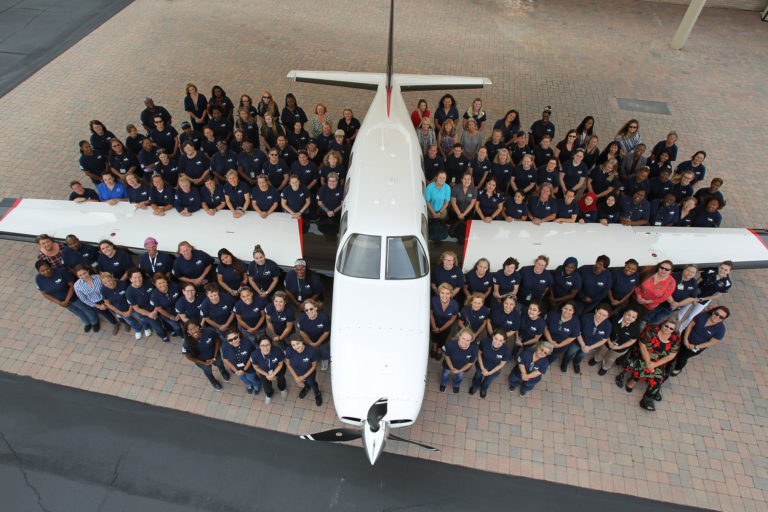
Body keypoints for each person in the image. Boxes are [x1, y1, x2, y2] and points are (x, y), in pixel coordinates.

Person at [616, 318, 680, 411]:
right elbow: (642, 345)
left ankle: (648, 398)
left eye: (671, 329)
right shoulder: (652, 330)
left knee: (658, 378)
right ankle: (631, 382)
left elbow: (671, 356)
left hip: (658, 361)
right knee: (641, 369)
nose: (668, 329)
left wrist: (655, 364)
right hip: (643, 355)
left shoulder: (675, 338)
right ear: (662, 324)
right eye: (666, 326)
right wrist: (648, 362)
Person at [35, 260, 98, 331]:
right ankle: (87, 322)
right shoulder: (38, 279)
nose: (46, 272)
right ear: (39, 271)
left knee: (85, 308)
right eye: (42, 271)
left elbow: (72, 285)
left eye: (47, 269)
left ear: (51, 266)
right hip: (61, 301)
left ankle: (94, 322)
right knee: (76, 311)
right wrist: (59, 302)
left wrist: (67, 300)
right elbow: (44, 293)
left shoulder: (61, 272)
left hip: (73, 297)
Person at [672, 306, 729, 376]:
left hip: (694, 347)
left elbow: (710, 342)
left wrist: (695, 346)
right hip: (685, 337)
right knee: (674, 349)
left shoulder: (720, 330)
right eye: (716, 314)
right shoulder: (703, 316)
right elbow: (690, 325)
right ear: (713, 312)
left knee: (682, 357)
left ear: (723, 319)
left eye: (721, 317)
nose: (717, 317)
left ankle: (677, 369)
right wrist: (685, 338)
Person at [678, 261, 733, 330]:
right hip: (695, 293)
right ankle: (674, 324)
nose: (722, 271)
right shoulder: (710, 271)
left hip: (704, 299)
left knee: (692, 316)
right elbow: (698, 281)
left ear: (729, 271)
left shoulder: (727, 283)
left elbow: (717, 295)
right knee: (683, 309)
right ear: (719, 267)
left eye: (726, 270)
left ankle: (680, 330)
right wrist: (693, 293)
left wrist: (701, 299)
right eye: (721, 268)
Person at [561, 303, 612, 373]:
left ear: (607, 316)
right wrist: (583, 345)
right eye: (600, 313)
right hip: (578, 342)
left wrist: (590, 347)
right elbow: (577, 332)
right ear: (596, 311)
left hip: (591, 346)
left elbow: (604, 339)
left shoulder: (608, 325)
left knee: (581, 355)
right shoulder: (586, 318)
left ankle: (576, 363)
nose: (601, 317)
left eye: (604, 315)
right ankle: (565, 362)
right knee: (570, 352)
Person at [589, 307, 641, 375]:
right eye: (628, 315)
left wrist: (619, 347)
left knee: (611, 358)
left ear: (636, 318)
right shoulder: (614, 318)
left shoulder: (636, 328)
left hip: (620, 347)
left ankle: (605, 367)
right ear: (624, 313)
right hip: (607, 341)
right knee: (601, 351)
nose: (630, 318)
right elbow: (605, 328)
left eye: (633, 317)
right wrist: (608, 341)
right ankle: (596, 359)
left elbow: (633, 340)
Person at [182, 318, 230, 390]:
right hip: (202, 362)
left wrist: (215, 356)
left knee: (220, 365)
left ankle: (223, 372)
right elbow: (189, 357)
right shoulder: (186, 344)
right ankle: (213, 382)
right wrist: (204, 363)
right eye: (190, 330)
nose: (194, 331)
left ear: (199, 326)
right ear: (187, 332)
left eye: (195, 328)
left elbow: (217, 341)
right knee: (208, 372)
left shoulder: (208, 332)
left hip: (215, 355)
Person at [125, 268, 169, 342]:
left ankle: (170, 330)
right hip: (147, 313)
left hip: (158, 306)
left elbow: (158, 293)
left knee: (166, 319)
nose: (138, 279)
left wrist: (155, 310)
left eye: (139, 277)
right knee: (158, 327)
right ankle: (163, 335)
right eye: (135, 278)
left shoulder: (148, 282)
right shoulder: (129, 292)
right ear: (130, 279)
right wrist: (150, 314)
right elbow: (136, 308)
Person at [73, 264, 118, 332]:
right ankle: (115, 324)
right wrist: (98, 306)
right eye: (80, 275)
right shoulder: (77, 286)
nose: (84, 276)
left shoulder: (99, 278)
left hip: (107, 299)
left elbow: (108, 289)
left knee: (116, 311)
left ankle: (124, 322)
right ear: (77, 276)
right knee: (107, 315)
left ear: (88, 271)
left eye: (84, 273)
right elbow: (83, 299)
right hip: (95, 303)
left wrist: (105, 304)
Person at [469, 330, 512, 398]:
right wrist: (482, 367)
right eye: (496, 338)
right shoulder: (485, 342)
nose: (497, 342)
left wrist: (490, 372)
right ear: (493, 336)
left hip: (494, 370)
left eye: (500, 340)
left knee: (487, 381)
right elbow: (479, 353)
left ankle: (483, 389)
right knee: (477, 377)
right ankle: (475, 386)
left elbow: (501, 364)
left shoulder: (506, 351)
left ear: (504, 341)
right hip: (481, 365)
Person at [100, 271, 143, 339]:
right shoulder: (103, 290)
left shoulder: (123, 284)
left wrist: (129, 310)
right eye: (105, 283)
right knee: (130, 321)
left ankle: (146, 327)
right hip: (120, 311)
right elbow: (108, 304)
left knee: (141, 317)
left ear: (112, 278)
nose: (108, 284)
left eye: (109, 281)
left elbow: (132, 297)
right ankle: (138, 329)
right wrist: (121, 313)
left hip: (132, 307)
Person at [284, 335, 323, 406]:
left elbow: (313, 366)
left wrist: (303, 377)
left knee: (312, 383)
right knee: (305, 383)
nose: (296, 347)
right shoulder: (289, 350)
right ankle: (306, 388)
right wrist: (296, 378)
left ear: (302, 341)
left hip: (309, 374)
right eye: (293, 345)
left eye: (297, 343)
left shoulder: (312, 351)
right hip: (297, 373)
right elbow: (288, 364)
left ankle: (317, 393)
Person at [220, 329, 261, 395]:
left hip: (249, 368)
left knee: (251, 377)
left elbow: (252, 357)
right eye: (230, 340)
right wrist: (236, 370)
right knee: (243, 378)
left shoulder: (247, 343)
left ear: (238, 335)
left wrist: (244, 370)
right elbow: (226, 360)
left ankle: (256, 385)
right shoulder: (225, 347)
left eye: (235, 338)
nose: (234, 341)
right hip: (236, 369)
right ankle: (249, 385)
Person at [439, 328, 478, 393]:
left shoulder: (474, 349)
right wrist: (451, 367)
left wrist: (460, 370)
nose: (465, 342)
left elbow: (470, 363)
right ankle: (443, 384)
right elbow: (447, 356)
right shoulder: (451, 344)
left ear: (471, 340)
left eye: (468, 340)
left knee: (459, 376)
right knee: (445, 374)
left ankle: (456, 385)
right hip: (448, 365)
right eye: (463, 338)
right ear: (459, 337)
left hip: (462, 368)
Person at [251, 337, 288, 404]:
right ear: (259, 346)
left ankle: (282, 389)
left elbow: (280, 364)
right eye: (262, 345)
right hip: (264, 372)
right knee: (266, 384)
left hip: (278, 370)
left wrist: (273, 375)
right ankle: (269, 394)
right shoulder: (255, 355)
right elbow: (256, 367)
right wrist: (268, 375)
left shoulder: (277, 351)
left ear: (271, 344)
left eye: (268, 345)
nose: (265, 348)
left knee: (281, 379)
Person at [297, 299, 331, 371]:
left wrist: (318, 343)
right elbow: (302, 332)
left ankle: (325, 360)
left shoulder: (324, 317)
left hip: (323, 340)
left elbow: (326, 332)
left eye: (311, 309)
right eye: (306, 310)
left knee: (325, 350)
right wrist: (310, 343)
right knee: (314, 350)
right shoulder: (302, 318)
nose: (309, 311)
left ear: (316, 308)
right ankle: (317, 358)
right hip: (310, 340)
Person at [544, 301, 581, 367]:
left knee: (551, 358)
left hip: (560, 346)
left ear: (573, 311)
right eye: (565, 308)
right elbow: (545, 327)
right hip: (546, 341)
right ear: (561, 308)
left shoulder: (576, 322)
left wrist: (559, 345)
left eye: (570, 310)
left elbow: (572, 337)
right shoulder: (552, 314)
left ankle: (544, 365)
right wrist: (550, 341)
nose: (567, 311)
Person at [430, 283, 459, 360]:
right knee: (434, 336)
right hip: (434, 323)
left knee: (443, 338)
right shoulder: (434, 300)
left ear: (451, 294)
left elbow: (452, 319)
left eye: (447, 293)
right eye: (442, 293)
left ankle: (439, 348)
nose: (445, 296)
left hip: (446, 326)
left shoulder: (455, 305)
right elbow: (431, 314)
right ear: (439, 293)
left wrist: (440, 329)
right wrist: (434, 326)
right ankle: (434, 346)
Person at [149, 273, 183, 337]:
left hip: (180, 310)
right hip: (168, 315)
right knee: (177, 327)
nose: (162, 285)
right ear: (155, 285)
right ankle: (182, 337)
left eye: (163, 282)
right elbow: (159, 309)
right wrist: (172, 317)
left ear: (166, 281)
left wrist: (180, 312)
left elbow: (182, 297)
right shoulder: (154, 296)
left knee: (184, 324)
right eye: (159, 283)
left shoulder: (175, 286)